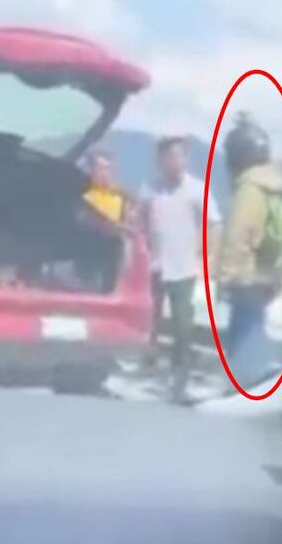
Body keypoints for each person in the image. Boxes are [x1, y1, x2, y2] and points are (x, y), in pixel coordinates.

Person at [142, 136, 220, 404]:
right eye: (169, 156)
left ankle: (180, 374)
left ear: (185, 159)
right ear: (160, 160)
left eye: (179, 156)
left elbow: (213, 223)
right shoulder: (150, 188)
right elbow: (139, 218)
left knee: (182, 325)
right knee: (148, 320)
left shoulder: (197, 189)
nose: (174, 161)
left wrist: (204, 252)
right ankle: (148, 366)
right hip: (155, 266)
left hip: (183, 267)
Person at [216, 114, 282, 386]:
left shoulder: (249, 188)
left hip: (245, 276)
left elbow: (237, 235)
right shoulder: (276, 188)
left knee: (243, 331)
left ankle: (248, 385)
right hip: (266, 274)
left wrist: (225, 277)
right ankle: (257, 377)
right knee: (254, 324)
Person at [78, 150, 131, 292]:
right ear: (92, 170)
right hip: (86, 255)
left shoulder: (120, 196)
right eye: (100, 168)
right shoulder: (83, 195)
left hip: (111, 256)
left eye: (107, 168)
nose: (104, 172)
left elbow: (127, 226)